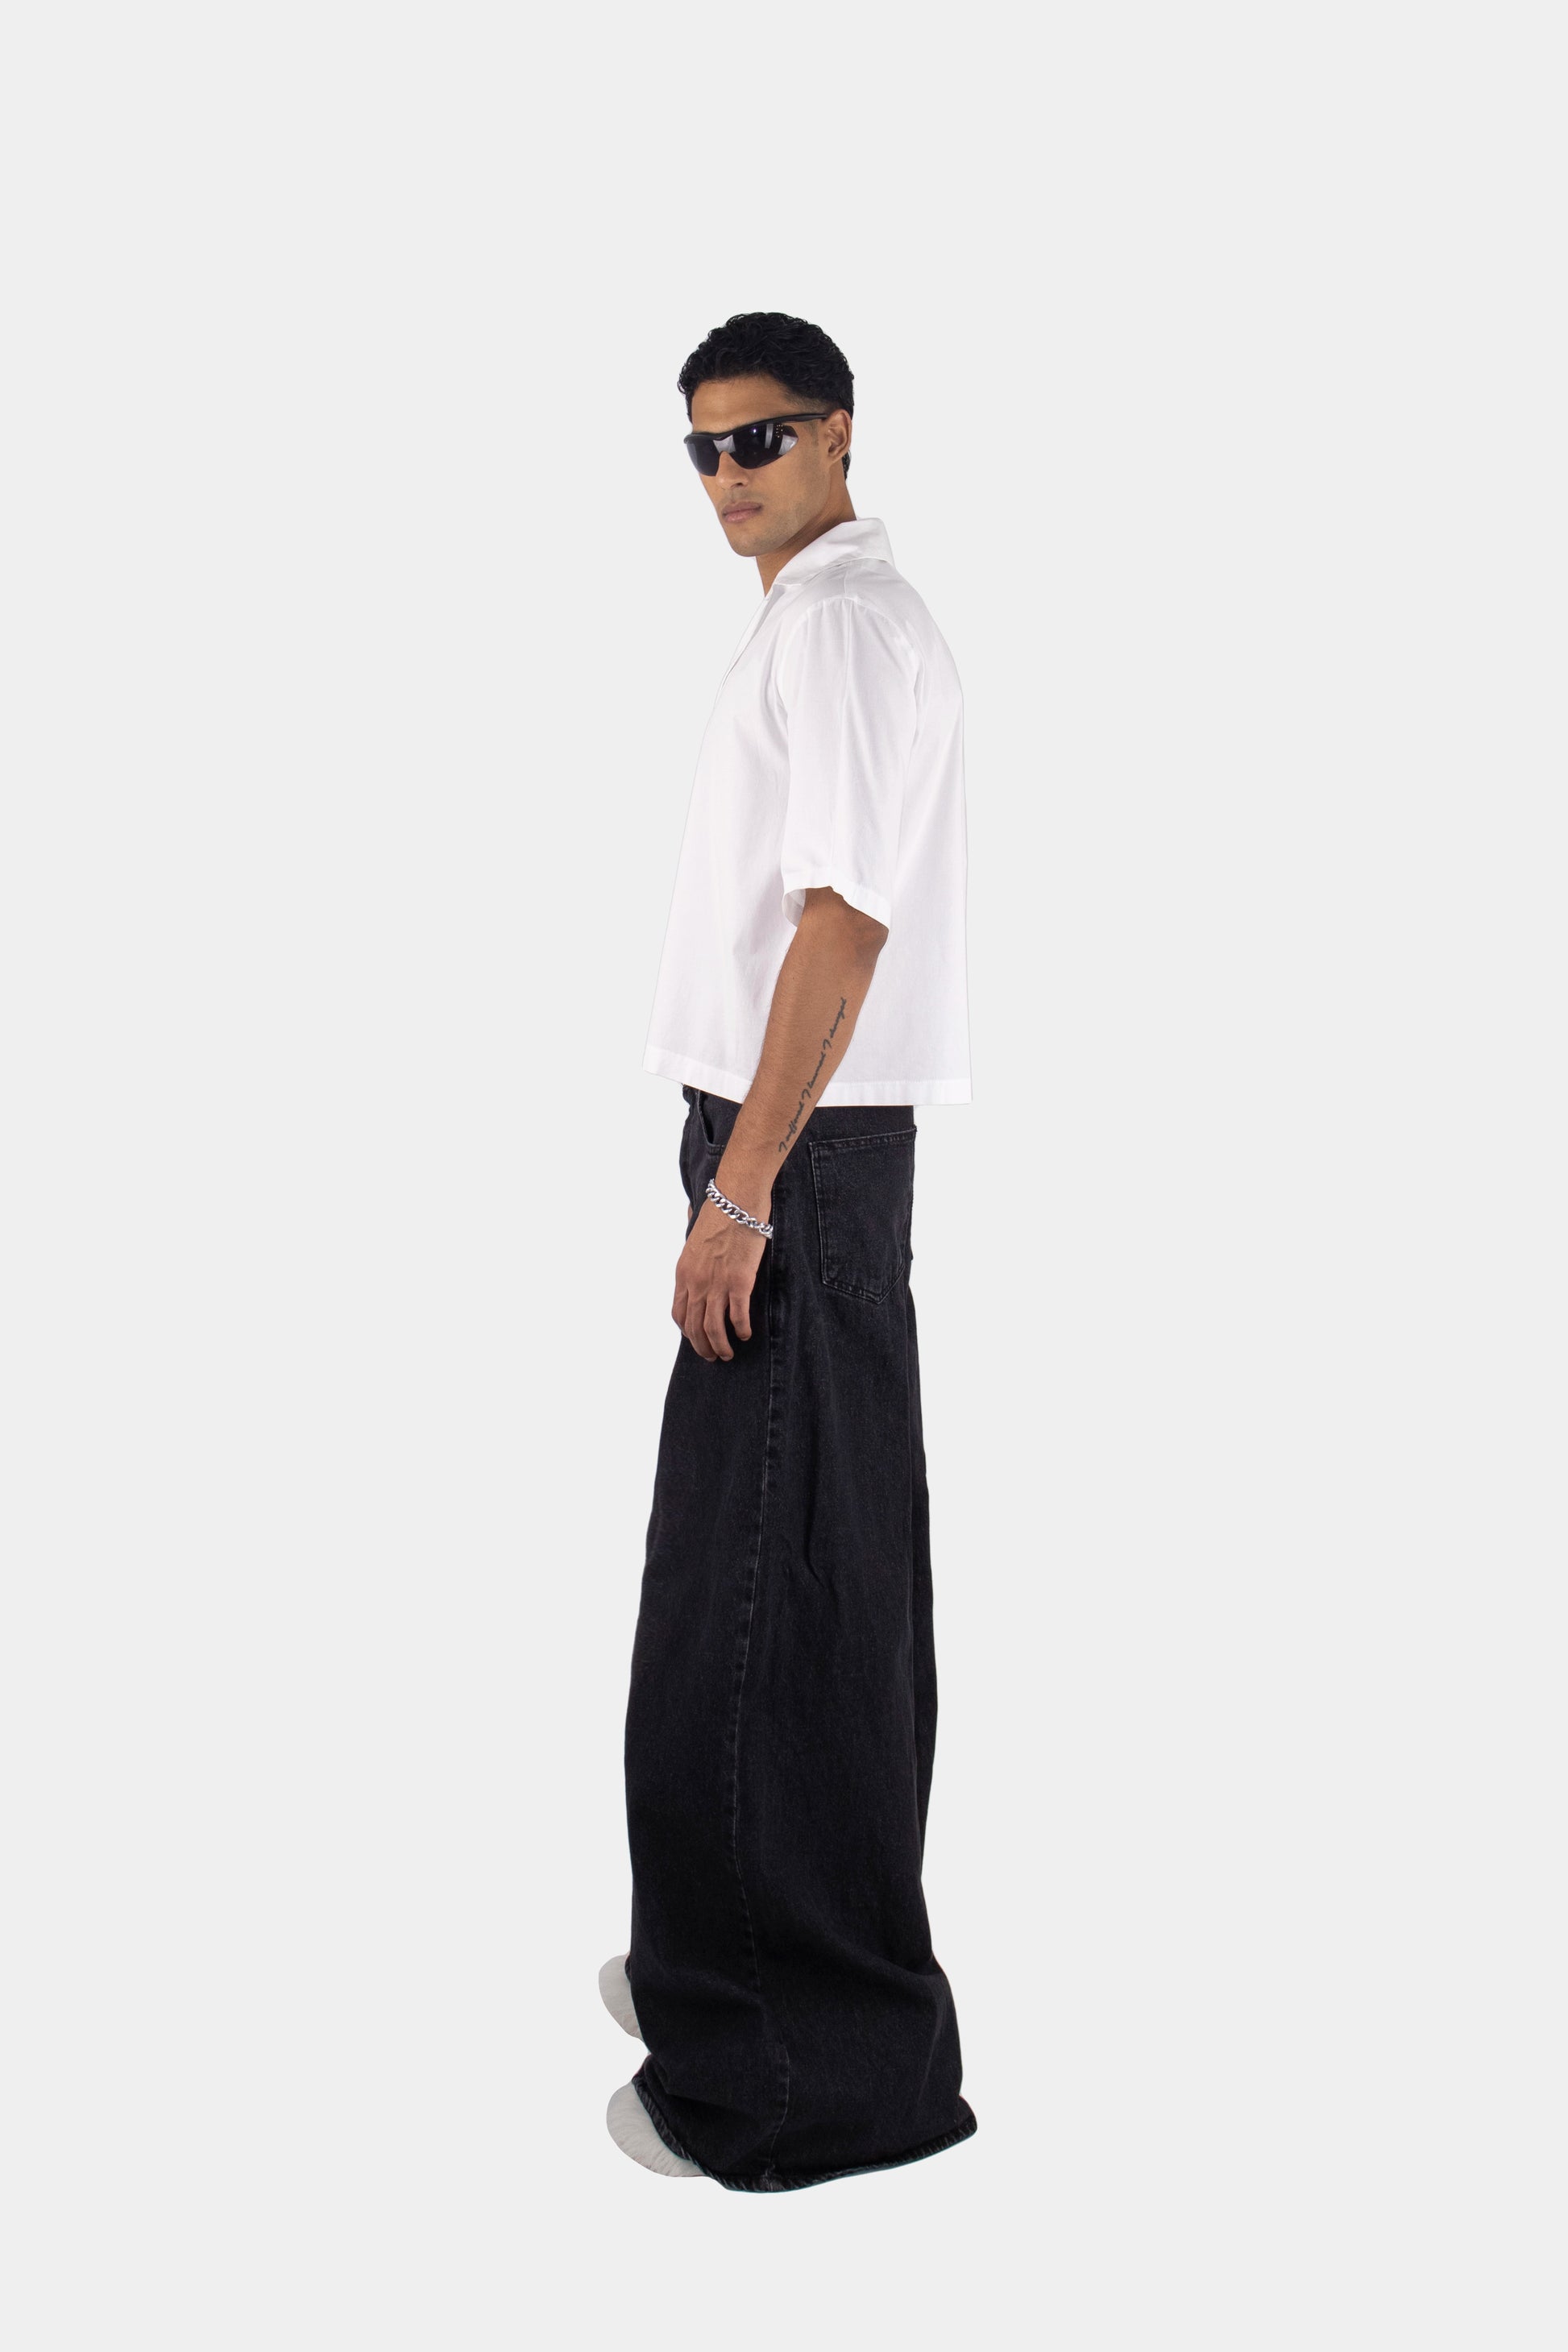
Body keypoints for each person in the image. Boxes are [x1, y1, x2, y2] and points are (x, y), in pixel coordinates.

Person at [603, 312, 976, 2192]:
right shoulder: (833, 617)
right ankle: (736, 1963)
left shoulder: (836, 625)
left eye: (758, 440)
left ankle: (790, 2062)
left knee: (762, 1608)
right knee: (791, 1583)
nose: (727, 478)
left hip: (796, 1155)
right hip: (803, 1149)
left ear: (837, 434)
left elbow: (844, 921)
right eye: (702, 449)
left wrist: (742, 1185)